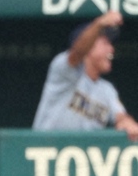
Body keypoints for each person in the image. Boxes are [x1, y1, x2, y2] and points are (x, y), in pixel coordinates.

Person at [33, 11, 138, 140]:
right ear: (89, 46)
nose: (111, 49)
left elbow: (120, 116)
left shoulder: (107, 90)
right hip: (44, 151)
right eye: (105, 43)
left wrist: (126, 122)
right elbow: (77, 53)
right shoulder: (63, 70)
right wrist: (99, 24)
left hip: (78, 155)